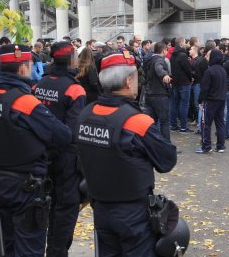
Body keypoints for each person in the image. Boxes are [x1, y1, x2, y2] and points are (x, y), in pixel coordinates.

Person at [75, 52, 177, 256]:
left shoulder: (85, 114)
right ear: (128, 81)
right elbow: (167, 160)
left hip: (101, 208)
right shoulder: (137, 122)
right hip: (133, 213)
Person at [0, 44, 72, 256]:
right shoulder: (24, 102)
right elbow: (63, 136)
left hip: (1, 182)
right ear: (22, 69)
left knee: (7, 245)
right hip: (26, 187)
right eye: (29, 65)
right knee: (29, 247)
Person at [33, 41, 86, 256]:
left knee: (45, 205)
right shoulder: (75, 89)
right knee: (65, 209)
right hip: (65, 160)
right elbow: (72, 132)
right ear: (71, 60)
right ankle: (56, 252)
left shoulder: (39, 84)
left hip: (41, 155)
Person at [196, 49, 227, 153]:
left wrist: (200, 100)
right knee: (220, 122)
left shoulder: (209, 71)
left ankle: (206, 146)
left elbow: (204, 88)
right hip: (221, 99)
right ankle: (221, 145)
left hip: (211, 100)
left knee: (206, 123)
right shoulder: (223, 70)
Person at [144, 42, 172, 141]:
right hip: (159, 95)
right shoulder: (159, 60)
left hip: (149, 94)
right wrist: (164, 74)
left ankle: (151, 144)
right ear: (164, 50)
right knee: (164, 122)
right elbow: (158, 67)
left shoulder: (148, 59)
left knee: (151, 122)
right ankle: (166, 147)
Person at [170, 37, 194, 133]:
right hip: (184, 83)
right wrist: (191, 77)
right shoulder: (183, 55)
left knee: (175, 104)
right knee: (184, 104)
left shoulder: (173, 55)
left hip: (175, 82)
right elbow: (187, 69)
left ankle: (173, 125)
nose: (186, 44)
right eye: (184, 42)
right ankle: (183, 127)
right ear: (180, 44)